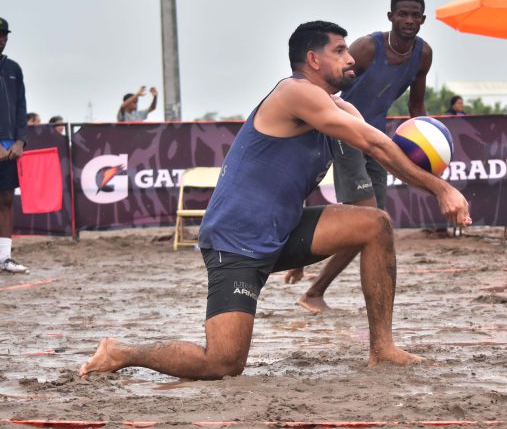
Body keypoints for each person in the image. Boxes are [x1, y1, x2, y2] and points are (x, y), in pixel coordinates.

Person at [80, 20, 471, 380]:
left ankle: (382, 347)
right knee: (224, 364)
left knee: (375, 224)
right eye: (340, 51)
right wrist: (441, 189)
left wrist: (306, 250)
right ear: (313, 60)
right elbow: (374, 143)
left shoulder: (341, 108)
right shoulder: (294, 93)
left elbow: (382, 148)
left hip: (283, 230)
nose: (352, 59)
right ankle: (121, 353)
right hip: (237, 240)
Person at [284, 0, 433, 314]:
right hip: (346, 133)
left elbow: (416, 106)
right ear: (390, 17)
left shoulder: (423, 55)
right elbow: (327, 82)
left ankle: (312, 287)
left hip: (376, 137)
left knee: (374, 225)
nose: (408, 20)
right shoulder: (367, 47)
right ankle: (305, 270)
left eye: (415, 15)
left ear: (423, 20)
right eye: (402, 14)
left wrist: (424, 142)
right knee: (371, 220)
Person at [0, 17, 29, 274]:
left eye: (4, 35)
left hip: (10, 145)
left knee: (7, 200)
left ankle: (5, 257)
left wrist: (20, 141)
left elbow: (21, 108)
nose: (2, 39)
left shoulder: (14, 68)